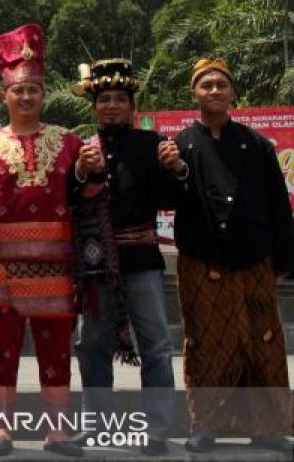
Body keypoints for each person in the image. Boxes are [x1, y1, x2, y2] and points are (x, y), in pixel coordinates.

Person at [0, 24, 106, 458]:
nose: (26, 97)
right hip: (0, 266)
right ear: (4, 95)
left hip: (55, 265)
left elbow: (87, 193)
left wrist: (91, 168)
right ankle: (1, 431)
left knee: (55, 349)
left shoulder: (68, 141)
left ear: (42, 94)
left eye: (33, 90)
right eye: (18, 91)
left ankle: (57, 433)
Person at [158, 58, 293, 455]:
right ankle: (206, 426)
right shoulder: (178, 145)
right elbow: (167, 201)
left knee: (263, 343)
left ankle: (268, 427)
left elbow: (278, 205)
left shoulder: (256, 145)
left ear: (233, 93)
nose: (214, 91)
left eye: (221, 85)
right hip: (202, 261)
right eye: (206, 85)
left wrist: (284, 259)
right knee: (206, 345)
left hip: (254, 258)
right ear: (193, 94)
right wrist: (175, 171)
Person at [70, 59, 175, 457]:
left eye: (119, 99)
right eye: (104, 100)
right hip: (96, 265)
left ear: (132, 107)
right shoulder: (82, 148)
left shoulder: (153, 145)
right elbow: (70, 200)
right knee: (92, 346)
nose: (111, 106)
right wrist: (81, 174)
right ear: (94, 107)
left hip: (142, 260)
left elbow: (172, 199)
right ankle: (97, 427)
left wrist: (175, 169)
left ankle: (157, 431)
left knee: (157, 346)